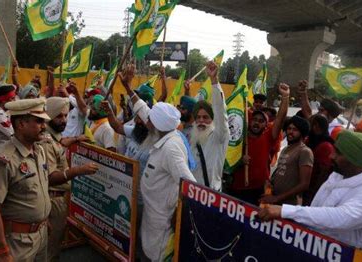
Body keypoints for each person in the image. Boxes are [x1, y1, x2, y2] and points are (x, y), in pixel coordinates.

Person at [259, 131, 362, 262]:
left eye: (338, 153)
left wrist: (285, 211)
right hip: (316, 250)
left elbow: (340, 218)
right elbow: (318, 207)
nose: (331, 156)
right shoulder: (340, 173)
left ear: (356, 160)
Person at [118, 64, 197, 261]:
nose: (146, 119)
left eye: (150, 119)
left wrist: (179, 215)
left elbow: (190, 185)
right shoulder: (160, 130)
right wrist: (127, 88)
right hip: (150, 216)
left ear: (157, 124)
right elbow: (143, 109)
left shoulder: (171, 148)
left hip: (163, 221)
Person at [0, 98, 77, 261]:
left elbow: (40, 189)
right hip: (17, 242)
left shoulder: (38, 151)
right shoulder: (3, 160)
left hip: (40, 234)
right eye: (39, 121)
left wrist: (43, 219)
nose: (43, 126)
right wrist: (4, 252)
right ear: (21, 124)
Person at [41, 97, 98, 261]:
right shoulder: (46, 141)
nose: (64, 120)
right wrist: (79, 170)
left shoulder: (53, 136)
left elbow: (60, 143)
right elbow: (50, 178)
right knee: (49, 249)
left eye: (66, 116)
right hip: (51, 200)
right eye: (59, 116)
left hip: (53, 199)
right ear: (49, 115)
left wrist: (75, 139)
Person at [229, 83, 290, 206]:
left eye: (261, 121)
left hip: (259, 190)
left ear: (266, 125)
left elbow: (280, 118)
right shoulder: (239, 137)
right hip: (236, 189)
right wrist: (240, 161)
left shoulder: (269, 137)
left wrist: (285, 97)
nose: (257, 123)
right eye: (254, 120)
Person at [189, 61, 229, 191]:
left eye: (205, 117)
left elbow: (220, 111)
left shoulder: (219, 136)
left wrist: (214, 81)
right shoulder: (192, 138)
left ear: (213, 120)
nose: (201, 121)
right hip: (192, 194)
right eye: (198, 117)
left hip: (212, 196)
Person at [263, 116, 313, 205]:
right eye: (289, 128)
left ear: (302, 132)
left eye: (295, 130)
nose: (290, 132)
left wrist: (277, 198)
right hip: (274, 199)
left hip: (289, 204)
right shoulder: (285, 149)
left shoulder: (305, 152)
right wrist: (270, 183)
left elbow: (304, 184)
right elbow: (281, 171)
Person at [302, 114, 334, 205]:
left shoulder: (326, 146)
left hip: (312, 192)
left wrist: (312, 193)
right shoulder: (310, 140)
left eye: (311, 125)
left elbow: (323, 173)